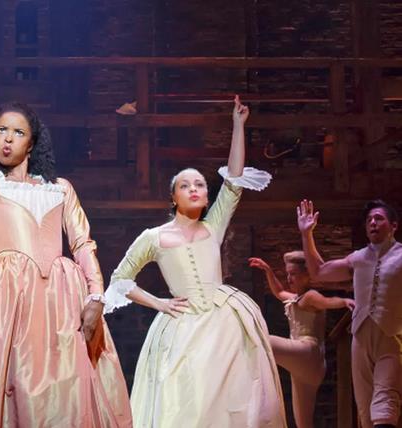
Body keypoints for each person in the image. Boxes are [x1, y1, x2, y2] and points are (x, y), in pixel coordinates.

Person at [0, 4, 132, 427]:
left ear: (31, 143)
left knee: (65, 402)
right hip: (8, 302)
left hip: (63, 301)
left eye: (18, 132)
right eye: (1, 131)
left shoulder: (60, 188)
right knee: (9, 393)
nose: (8, 138)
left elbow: (82, 243)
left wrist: (96, 296)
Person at [104, 96, 286, 427]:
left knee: (230, 402)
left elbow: (233, 180)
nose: (193, 189)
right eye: (184, 185)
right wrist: (159, 303)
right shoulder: (153, 237)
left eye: (199, 185)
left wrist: (238, 125)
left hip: (223, 322)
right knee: (185, 403)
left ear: (205, 197)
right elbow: (120, 280)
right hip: (182, 325)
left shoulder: (213, 225)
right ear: (173, 197)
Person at [298, 199, 402, 428]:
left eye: (379, 218)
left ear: (393, 226)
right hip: (361, 337)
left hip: (391, 337)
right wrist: (307, 234)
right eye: (369, 220)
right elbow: (318, 272)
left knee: (385, 405)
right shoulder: (358, 258)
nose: (373, 223)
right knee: (365, 409)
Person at [250, 251, 354, 427]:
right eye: (288, 274)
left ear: (307, 275)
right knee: (303, 423)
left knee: (264, 341)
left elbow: (327, 302)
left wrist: (343, 302)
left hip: (308, 353)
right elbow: (279, 291)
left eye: (293, 274)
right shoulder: (295, 298)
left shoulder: (311, 296)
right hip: (304, 366)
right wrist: (268, 270)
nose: (289, 278)